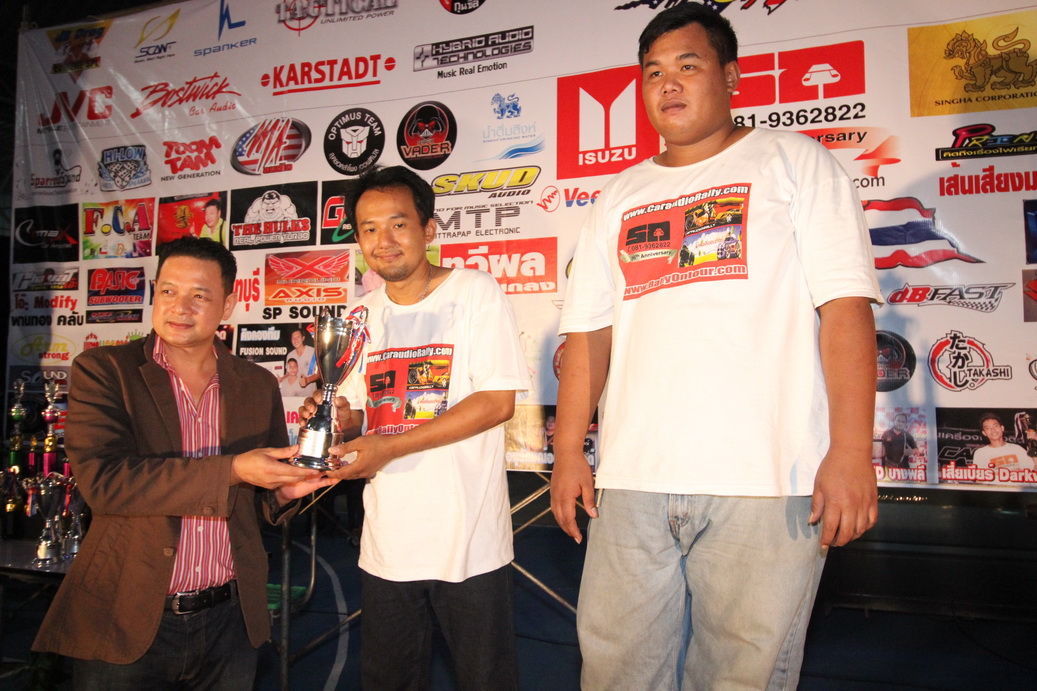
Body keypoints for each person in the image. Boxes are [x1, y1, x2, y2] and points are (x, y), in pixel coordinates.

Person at [549, 4, 882, 689]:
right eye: (652, 72)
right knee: (613, 671)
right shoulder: (617, 196)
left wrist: (850, 452)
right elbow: (589, 334)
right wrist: (568, 452)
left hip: (767, 481)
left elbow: (845, 311)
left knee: (742, 676)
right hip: (631, 480)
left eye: (687, 65)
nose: (667, 84)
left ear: (730, 77)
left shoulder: (796, 163)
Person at [33, 236, 332, 688]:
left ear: (228, 305)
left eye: (199, 295)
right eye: (169, 291)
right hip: (128, 618)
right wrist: (233, 469)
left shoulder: (256, 384)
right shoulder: (105, 370)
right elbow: (106, 483)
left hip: (231, 622)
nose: (180, 307)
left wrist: (285, 492)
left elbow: (257, 503)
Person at [300, 165, 530, 690]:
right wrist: (337, 418)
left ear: (428, 229)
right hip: (388, 543)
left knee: (487, 681)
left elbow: (496, 403)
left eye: (398, 224)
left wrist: (391, 446)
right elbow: (362, 414)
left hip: (469, 542)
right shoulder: (360, 316)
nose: (383, 240)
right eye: (369, 228)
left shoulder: (474, 292)